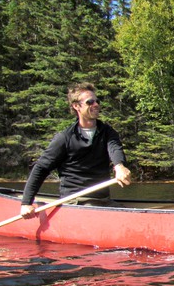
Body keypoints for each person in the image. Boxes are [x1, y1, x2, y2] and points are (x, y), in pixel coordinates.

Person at [20, 82, 131, 218]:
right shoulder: (65, 138)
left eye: (97, 101)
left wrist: (119, 166)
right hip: (75, 201)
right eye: (90, 102)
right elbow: (41, 168)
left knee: (128, 213)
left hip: (102, 200)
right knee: (102, 213)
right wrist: (26, 203)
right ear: (76, 106)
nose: (96, 105)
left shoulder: (107, 132)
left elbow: (114, 148)